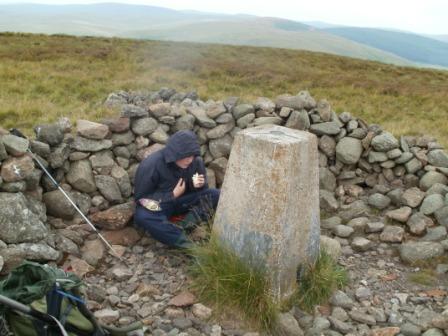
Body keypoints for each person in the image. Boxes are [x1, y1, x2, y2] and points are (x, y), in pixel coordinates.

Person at [133, 130, 220, 248]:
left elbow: (202, 194)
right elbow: (141, 199)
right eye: (186, 156)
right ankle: (188, 246)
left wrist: (196, 186)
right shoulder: (151, 165)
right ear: (174, 153)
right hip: (160, 206)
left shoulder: (196, 161)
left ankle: (186, 225)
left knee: (215, 194)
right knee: (142, 216)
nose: (190, 160)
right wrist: (172, 195)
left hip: (182, 203)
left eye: (192, 155)